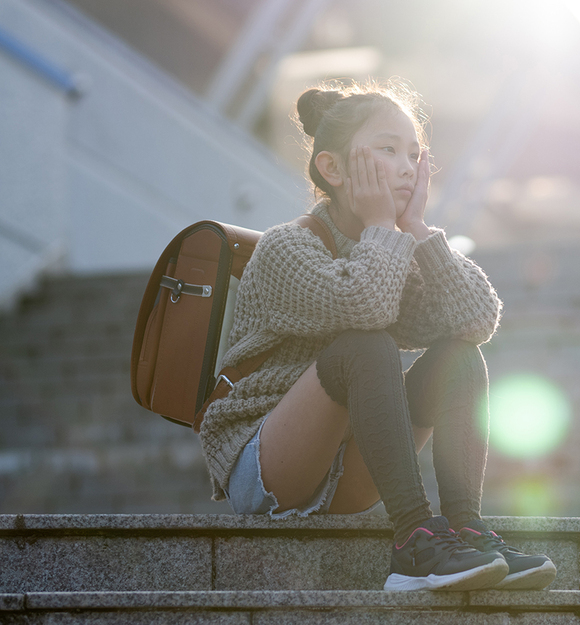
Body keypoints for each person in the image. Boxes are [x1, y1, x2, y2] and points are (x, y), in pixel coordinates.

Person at [197, 78, 556, 592]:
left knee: (457, 356)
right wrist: (387, 226)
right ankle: (413, 540)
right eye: (388, 151)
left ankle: (467, 530)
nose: (408, 166)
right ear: (333, 168)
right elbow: (363, 306)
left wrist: (420, 234)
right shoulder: (286, 250)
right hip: (266, 467)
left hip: (352, 469)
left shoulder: (389, 250)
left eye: (414, 153)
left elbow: (477, 321)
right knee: (367, 346)